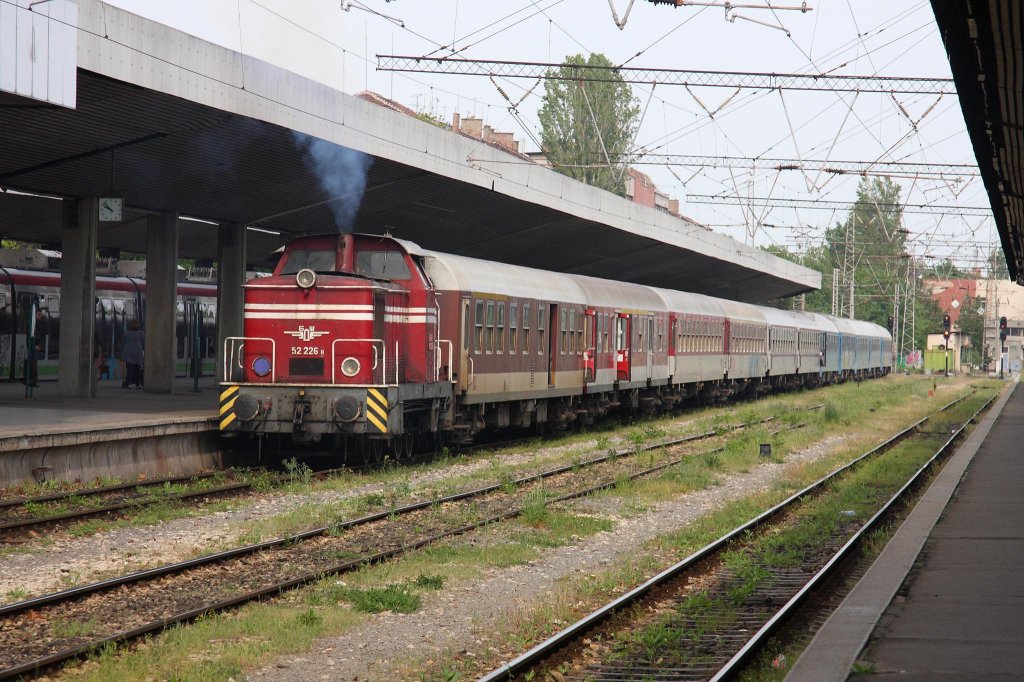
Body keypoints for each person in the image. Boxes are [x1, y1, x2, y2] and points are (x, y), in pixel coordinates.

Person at [122, 319, 145, 388]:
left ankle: (129, 383)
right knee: (137, 369)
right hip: (138, 352)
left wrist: (121, 351)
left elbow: (123, 342)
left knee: (129, 369)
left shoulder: (126, 333)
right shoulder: (141, 333)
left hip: (128, 352)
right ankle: (137, 383)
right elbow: (144, 343)